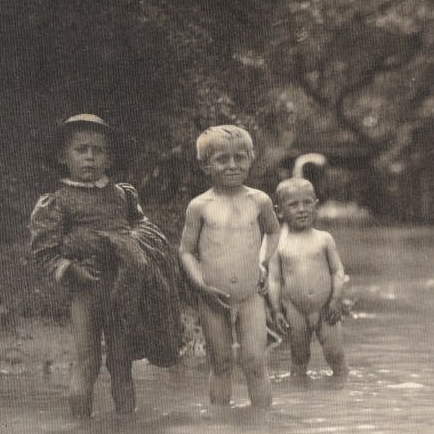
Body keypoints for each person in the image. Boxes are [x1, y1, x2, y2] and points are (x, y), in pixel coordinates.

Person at [29, 114, 183, 417]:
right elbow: (44, 251)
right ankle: (81, 428)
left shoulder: (123, 195)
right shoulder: (57, 202)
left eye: (97, 150)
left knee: (120, 363)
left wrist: (128, 244)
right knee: (87, 362)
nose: (89, 157)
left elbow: (143, 228)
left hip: (123, 290)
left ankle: (126, 427)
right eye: (81, 149)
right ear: (63, 156)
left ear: (109, 158)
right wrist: (73, 268)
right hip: (86, 292)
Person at [179, 125, 280, 407]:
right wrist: (200, 284)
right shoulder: (199, 206)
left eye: (240, 157)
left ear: (251, 158)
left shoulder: (259, 200)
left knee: (255, 361)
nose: (233, 165)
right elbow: (186, 251)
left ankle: (263, 425)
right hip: (212, 297)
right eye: (223, 159)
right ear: (205, 165)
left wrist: (264, 261)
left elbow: (273, 232)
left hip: (250, 296)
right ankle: (220, 428)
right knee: (221, 362)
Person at [267, 177, 348, 383]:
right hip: (295, 310)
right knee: (299, 358)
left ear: (316, 205)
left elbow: (338, 271)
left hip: (325, 308)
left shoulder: (324, 239)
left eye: (307, 202)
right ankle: (299, 396)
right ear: (279, 211)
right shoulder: (279, 245)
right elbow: (274, 280)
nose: (301, 209)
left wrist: (336, 299)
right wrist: (276, 310)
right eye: (293, 205)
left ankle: (341, 392)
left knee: (335, 355)